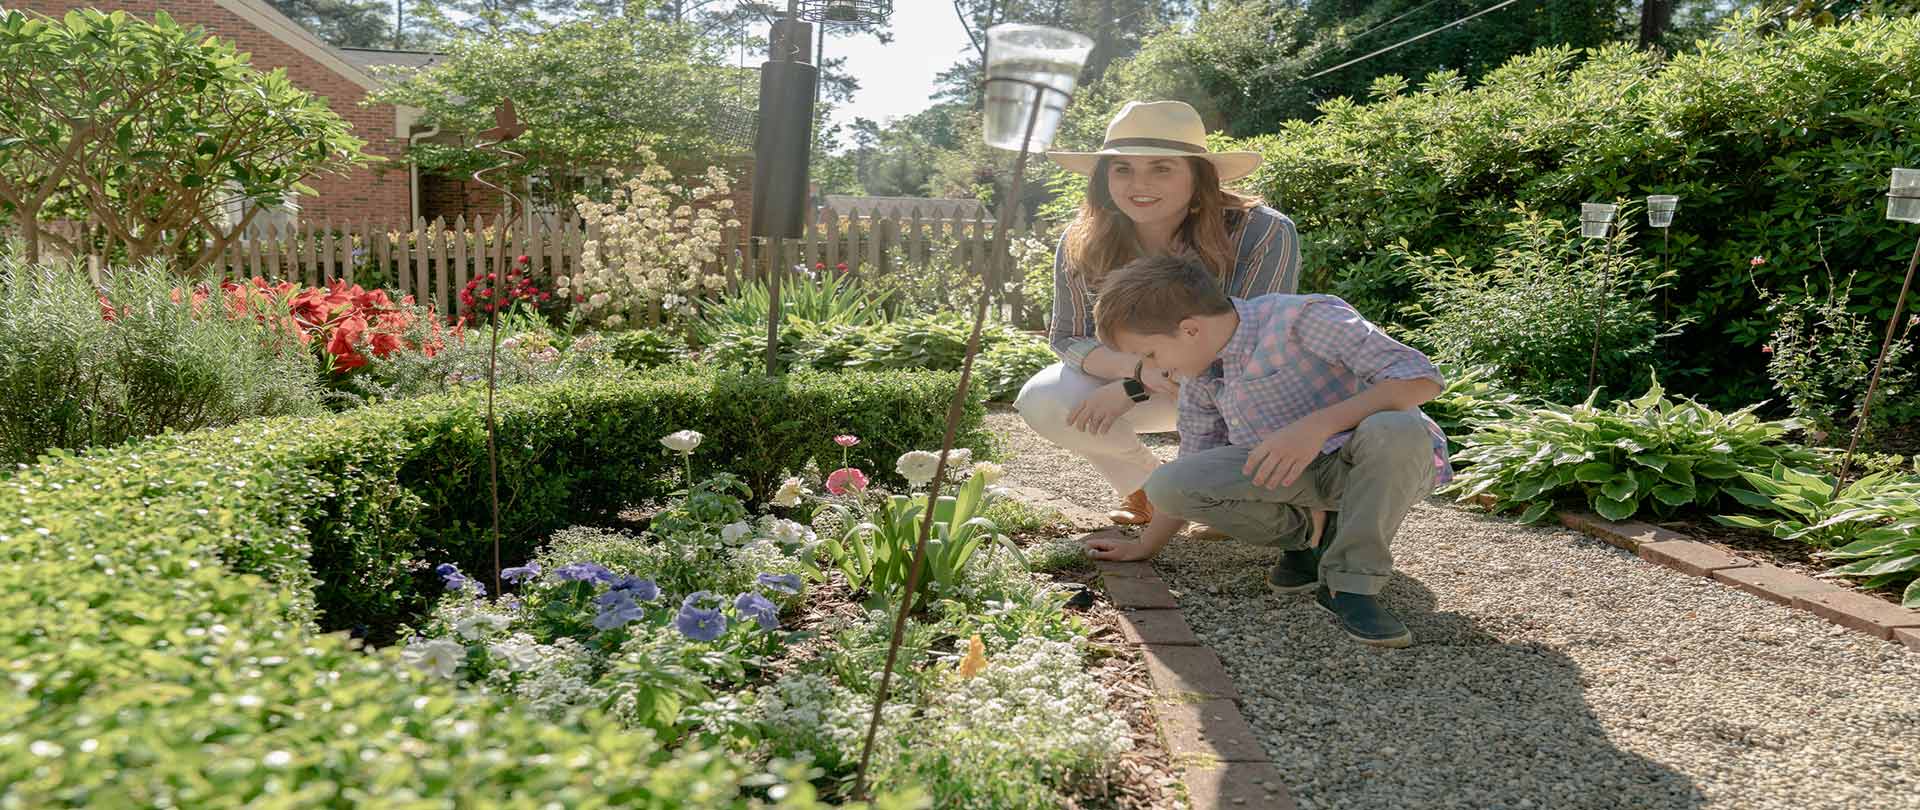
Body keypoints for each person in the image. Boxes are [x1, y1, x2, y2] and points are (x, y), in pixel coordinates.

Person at [1084, 254, 1452, 648]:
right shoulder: (1202, 376)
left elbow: (1421, 378)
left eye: (1150, 355)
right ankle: (1308, 539)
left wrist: (1318, 425)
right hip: (1301, 480)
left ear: (1190, 330)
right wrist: (1144, 547)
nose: (1151, 368)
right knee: (1169, 485)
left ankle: (1352, 585)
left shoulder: (1303, 319)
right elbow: (1190, 467)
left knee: (1395, 425)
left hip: (1376, 465)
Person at [1015, 100, 1302, 527]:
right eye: (1123, 168)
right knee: (1045, 399)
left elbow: (1256, 341)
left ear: (1198, 175)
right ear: (1103, 178)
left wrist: (1131, 388)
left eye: (1161, 168)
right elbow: (1067, 337)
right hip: (1156, 385)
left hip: (1246, 387)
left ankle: (1228, 498)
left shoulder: (1263, 232)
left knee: (1254, 400)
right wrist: (1136, 371)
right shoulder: (1082, 239)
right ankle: (1151, 491)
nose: (1139, 184)